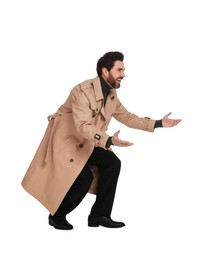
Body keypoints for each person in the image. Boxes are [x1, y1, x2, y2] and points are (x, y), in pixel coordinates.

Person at [21, 51, 181, 230]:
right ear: (105, 71)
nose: (123, 75)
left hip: (87, 141)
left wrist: (158, 123)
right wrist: (109, 140)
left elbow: (127, 117)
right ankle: (56, 215)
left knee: (112, 163)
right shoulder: (81, 90)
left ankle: (100, 215)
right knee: (84, 177)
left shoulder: (111, 95)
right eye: (119, 70)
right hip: (66, 141)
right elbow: (82, 126)